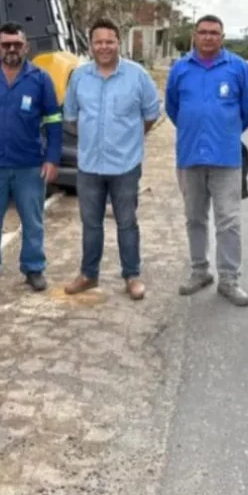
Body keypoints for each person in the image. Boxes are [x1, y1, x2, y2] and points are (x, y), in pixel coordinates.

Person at [0, 22, 63, 300]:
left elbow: (54, 122)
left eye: (17, 44)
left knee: (33, 220)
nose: (12, 49)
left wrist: (52, 159)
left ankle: (33, 269)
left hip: (30, 164)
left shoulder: (41, 79)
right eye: (6, 45)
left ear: (25, 46)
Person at [165, 14, 248, 306]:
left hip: (225, 157)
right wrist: (194, 128)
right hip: (190, 156)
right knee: (194, 217)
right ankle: (200, 271)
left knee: (228, 221)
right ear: (194, 35)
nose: (208, 37)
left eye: (214, 33)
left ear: (223, 36)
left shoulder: (238, 68)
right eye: (203, 32)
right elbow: (173, 108)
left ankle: (229, 279)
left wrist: (227, 131)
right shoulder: (180, 69)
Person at [61, 18, 161, 300]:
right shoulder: (79, 77)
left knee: (126, 223)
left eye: (110, 41)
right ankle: (88, 274)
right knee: (91, 224)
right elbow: (71, 115)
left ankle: (132, 276)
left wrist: (130, 139)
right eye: (98, 42)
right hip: (89, 166)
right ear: (90, 45)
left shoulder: (137, 75)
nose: (104, 46)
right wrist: (93, 139)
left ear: (119, 43)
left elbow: (152, 113)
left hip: (125, 166)